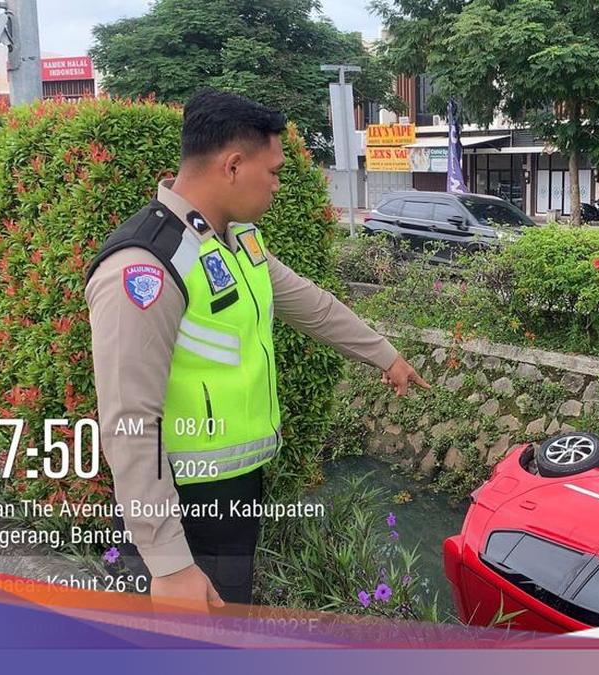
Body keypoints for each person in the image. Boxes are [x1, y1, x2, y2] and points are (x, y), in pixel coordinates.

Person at [85, 88, 428, 608]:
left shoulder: (235, 241)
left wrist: (384, 354)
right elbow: (130, 421)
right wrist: (169, 563)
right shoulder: (146, 265)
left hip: (233, 492)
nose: (276, 186)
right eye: (273, 172)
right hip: (180, 504)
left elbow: (310, 304)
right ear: (233, 165)